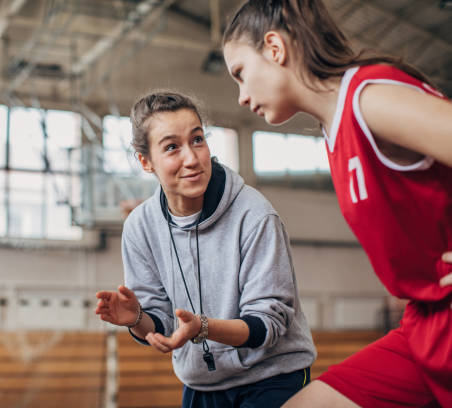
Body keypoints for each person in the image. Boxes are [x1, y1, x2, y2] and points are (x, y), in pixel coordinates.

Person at [221, 1, 452, 406]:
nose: (241, 96)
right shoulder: (336, 130)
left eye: (240, 74)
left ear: (274, 48)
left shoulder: (369, 97)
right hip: (424, 323)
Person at [95, 91, 315, 408]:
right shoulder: (140, 227)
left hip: (273, 378)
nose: (192, 158)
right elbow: (160, 325)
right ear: (145, 161)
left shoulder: (255, 215)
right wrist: (137, 318)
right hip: (202, 385)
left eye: (197, 140)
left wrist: (203, 327)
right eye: (172, 147)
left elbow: (268, 325)